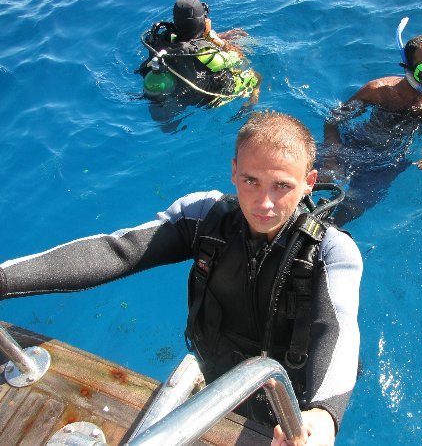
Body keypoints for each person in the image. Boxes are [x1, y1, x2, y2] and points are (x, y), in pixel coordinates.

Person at [0, 111, 362, 446]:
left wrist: (324, 414)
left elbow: (340, 327)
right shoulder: (205, 217)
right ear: (234, 171)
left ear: (309, 183)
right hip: (215, 366)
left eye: (281, 185)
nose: (263, 203)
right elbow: (119, 251)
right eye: (251, 180)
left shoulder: (331, 251)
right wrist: (4, 279)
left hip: (288, 400)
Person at [322, 20, 422, 225]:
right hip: (355, 145)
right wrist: (332, 156)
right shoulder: (379, 91)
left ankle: (324, 231)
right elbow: (333, 120)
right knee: (309, 179)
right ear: (408, 68)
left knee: (355, 205)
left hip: (391, 160)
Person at [137, 0, 261, 111]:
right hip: (203, 99)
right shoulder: (203, 53)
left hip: (177, 89)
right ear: (202, 21)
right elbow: (237, 57)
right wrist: (216, 40)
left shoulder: (162, 40)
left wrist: (213, 36)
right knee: (256, 77)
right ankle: (250, 104)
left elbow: (187, 39)